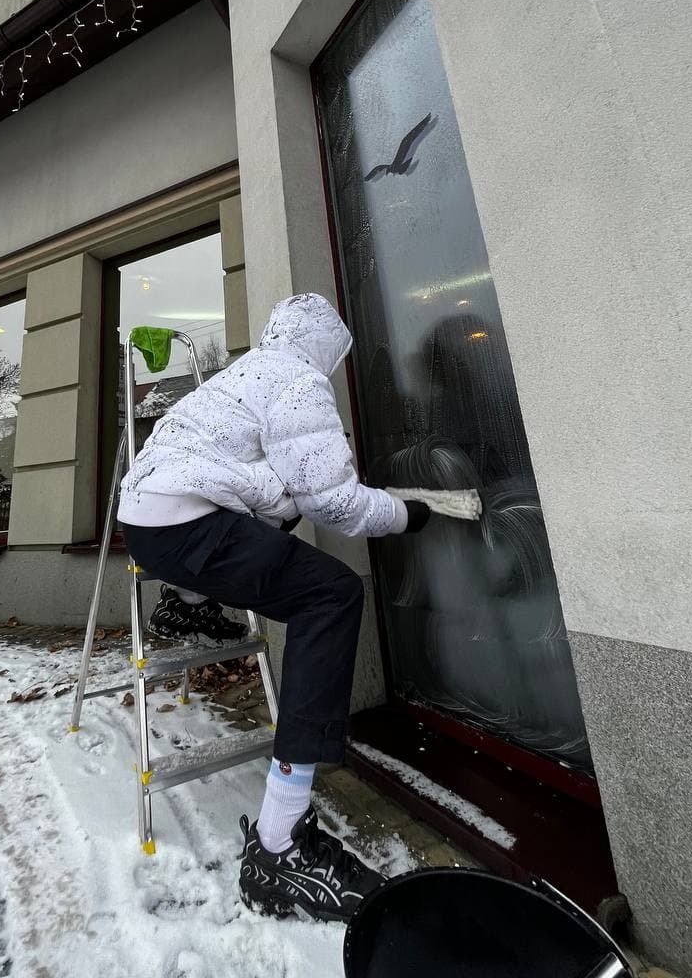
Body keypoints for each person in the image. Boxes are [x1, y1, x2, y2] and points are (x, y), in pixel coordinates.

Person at [117, 293, 434, 921]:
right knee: (332, 595)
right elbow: (336, 505)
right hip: (187, 523)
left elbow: (278, 492)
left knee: (278, 516)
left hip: (147, 523)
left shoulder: (247, 371)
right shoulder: (298, 381)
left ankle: (185, 606)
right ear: (325, 346)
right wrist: (407, 514)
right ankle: (279, 845)